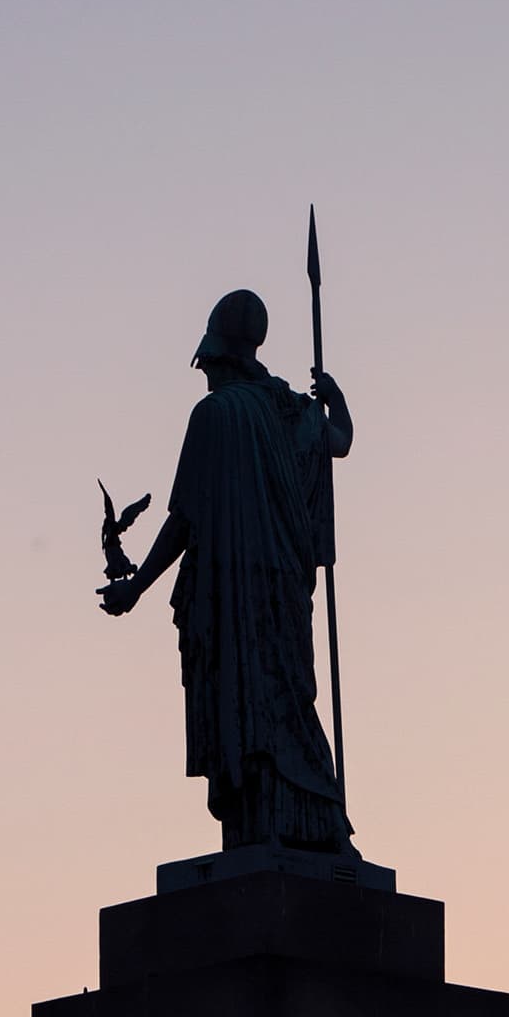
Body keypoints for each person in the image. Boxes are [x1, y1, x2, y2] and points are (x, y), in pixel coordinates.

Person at [100, 288, 356, 852]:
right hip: (284, 595)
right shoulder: (290, 408)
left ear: (219, 358)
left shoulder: (215, 415)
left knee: (248, 708)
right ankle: (318, 822)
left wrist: (136, 587)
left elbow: (185, 516)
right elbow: (337, 441)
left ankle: (270, 823)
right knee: (289, 700)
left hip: (235, 598)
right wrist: (338, 402)